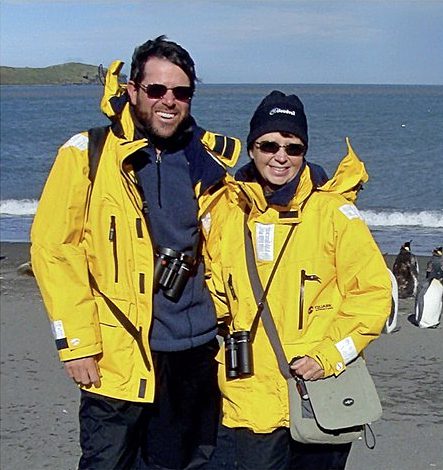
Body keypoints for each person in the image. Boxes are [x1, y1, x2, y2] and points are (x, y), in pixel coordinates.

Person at [30, 36, 240, 470]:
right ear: (133, 91)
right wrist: (77, 345)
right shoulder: (87, 153)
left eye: (181, 92)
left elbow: (229, 246)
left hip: (194, 352)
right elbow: (55, 250)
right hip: (116, 353)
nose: (169, 101)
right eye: (156, 90)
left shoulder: (207, 162)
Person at [203, 90, 392, 470]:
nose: (281, 156)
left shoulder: (334, 212)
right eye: (269, 144)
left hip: (319, 391)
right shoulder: (225, 208)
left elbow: (374, 293)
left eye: (293, 147)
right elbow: (212, 286)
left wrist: (328, 357)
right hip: (249, 394)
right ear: (252, 147)